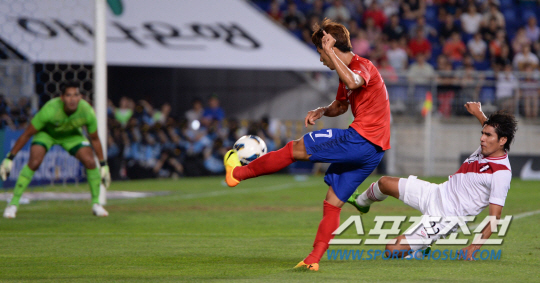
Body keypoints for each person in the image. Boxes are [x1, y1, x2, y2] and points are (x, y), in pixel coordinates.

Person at [223, 18, 390, 271]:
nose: (321, 59)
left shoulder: (362, 66)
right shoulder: (346, 73)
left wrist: (332, 53)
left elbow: (355, 82)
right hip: (373, 152)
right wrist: (322, 110)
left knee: (294, 149)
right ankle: (313, 260)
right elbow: (342, 105)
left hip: (359, 140)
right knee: (333, 202)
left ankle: (237, 173)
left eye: (321, 52)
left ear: (330, 47)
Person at [348, 102, 517, 260]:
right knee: (384, 183)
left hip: (446, 217)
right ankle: (362, 202)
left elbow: (495, 217)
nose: (482, 138)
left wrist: (473, 248)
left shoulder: (501, 173)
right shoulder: (490, 143)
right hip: (436, 192)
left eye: (488, 135)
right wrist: (478, 113)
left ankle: (420, 249)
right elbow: (489, 126)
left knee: (392, 249)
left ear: (502, 141)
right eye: (482, 133)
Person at [0, 81, 111, 218]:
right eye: (69, 95)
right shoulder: (50, 110)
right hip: (47, 134)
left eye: (76, 95)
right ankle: (13, 204)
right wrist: (9, 158)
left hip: (71, 135)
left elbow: (94, 138)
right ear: (62, 98)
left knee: (90, 161)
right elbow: (27, 134)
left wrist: (103, 165)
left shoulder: (87, 111)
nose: (72, 99)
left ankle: (96, 204)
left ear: (80, 97)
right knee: (34, 162)